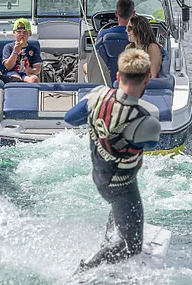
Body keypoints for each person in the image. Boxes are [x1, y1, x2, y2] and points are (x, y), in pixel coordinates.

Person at [65, 49, 161, 269]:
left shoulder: (97, 96)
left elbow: (70, 118)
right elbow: (151, 144)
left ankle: (108, 243)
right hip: (123, 186)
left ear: (118, 76)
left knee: (116, 208)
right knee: (132, 246)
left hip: (99, 176)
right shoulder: (147, 123)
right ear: (147, 78)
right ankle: (91, 266)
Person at [83, 0, 135, 78]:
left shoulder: (103, 34)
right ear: (134, 13)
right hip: (132, 80)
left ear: (116, 13)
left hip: (107, 81)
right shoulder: (139, 36)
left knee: (85, 66)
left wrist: (97, 43)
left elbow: (95, 60)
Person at [2, 18, 42, 83]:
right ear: (14, 33)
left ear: (29, 33)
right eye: (19, 32)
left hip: (27, 73)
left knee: (34, 79)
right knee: (16, 79)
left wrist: (31, 71)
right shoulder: (8, 47)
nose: (22, 34)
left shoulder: (33, 49)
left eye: (25, 32)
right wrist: (15, 52)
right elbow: (8, 67)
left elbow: (37, 68)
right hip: (11, 73)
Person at [125, 15, 164, 79]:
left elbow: (153, 76)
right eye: (127, 28)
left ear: (139, 30)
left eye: (130, 28)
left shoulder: (152, 48)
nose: (126, 31)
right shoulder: (129, 48)